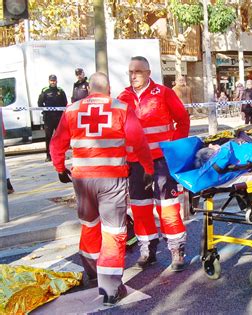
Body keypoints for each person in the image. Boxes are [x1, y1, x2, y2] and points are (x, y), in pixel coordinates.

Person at [49, 72, 154, 306]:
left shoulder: (72, 109)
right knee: (114, 231)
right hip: (111, 179)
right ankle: (110, 288)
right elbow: (139, 142)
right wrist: (147, 168)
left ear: (88, 89)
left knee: (89, 225)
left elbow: (57, 142)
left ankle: (92, 272)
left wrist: (59, 168)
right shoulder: (121, 108)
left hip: (83, 180)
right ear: (108, 89)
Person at [118, 56, 190, 271]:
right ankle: (147, 248)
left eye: (138, 72)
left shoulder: (163, 93)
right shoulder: (123, 97)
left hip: (161, 161)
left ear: (149, 73)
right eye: (130, 72)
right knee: (140, 208)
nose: (133, 76)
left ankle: (177, 249)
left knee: (167, 206)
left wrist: (173, 148)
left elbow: (182, 119)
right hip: (136, 163)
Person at [37, 74, 68, 162]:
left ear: (56, 81)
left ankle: (62, 154)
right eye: (51, 80)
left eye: (54, 80)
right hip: (48, 118)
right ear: (49, 81)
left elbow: (65, 103)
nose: (53, 82)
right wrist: (45, 111)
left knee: (60, 137)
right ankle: (48, 155)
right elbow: (40, 103)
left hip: (59, 118)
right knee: (48, 137)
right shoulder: (45, 90)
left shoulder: (60, 91)